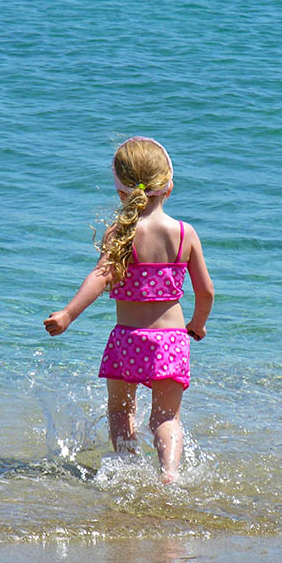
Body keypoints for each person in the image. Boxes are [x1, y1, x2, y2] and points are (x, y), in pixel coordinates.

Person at [44, 137, 214, 484]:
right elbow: (206, 290)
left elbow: (99, 277)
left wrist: (68, 314)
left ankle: (127, 465)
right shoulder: (185, 233)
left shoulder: (121, 234)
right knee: (166, 418)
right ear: (168, 185)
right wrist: (197, 324)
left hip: (128, 341)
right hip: (171, 341)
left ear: (122, 192)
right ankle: (169, 473)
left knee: (121, 410)